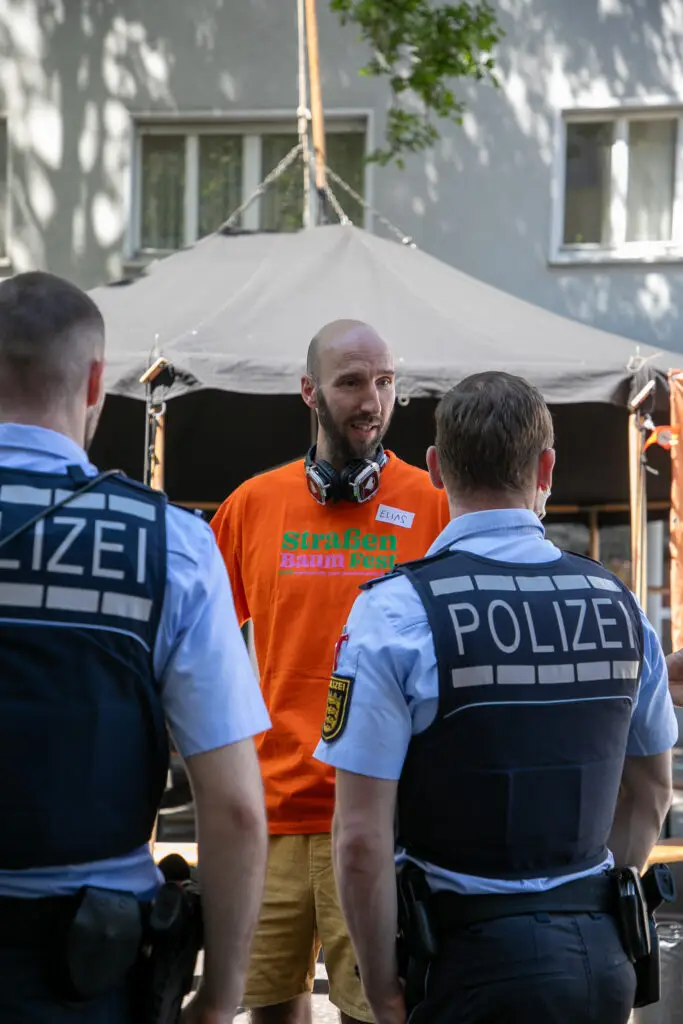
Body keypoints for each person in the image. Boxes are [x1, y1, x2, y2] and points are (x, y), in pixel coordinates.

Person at [315, 370, 677, 1024]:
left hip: (463, 965)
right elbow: (650, 790)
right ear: (546, 468)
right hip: (595, 963)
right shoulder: (618, 604)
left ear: (433, 467)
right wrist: (588, 901)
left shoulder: (395, 611)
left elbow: (360, 839)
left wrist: (379, 988)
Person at [0, 271, 271, 1024]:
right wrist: (218, 998)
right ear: (95, 383)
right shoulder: (170, 546)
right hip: (86, 976)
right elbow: (236, 809)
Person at [210, 319, 449, 1024]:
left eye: (385, 381)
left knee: (373, 1011)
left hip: (383, 818)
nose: (372, 400)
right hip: (269, 818)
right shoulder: (253, 505)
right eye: (351, 382)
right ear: (309, 390)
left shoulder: (434, 505)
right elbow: (202, 647)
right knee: (269, 1012)